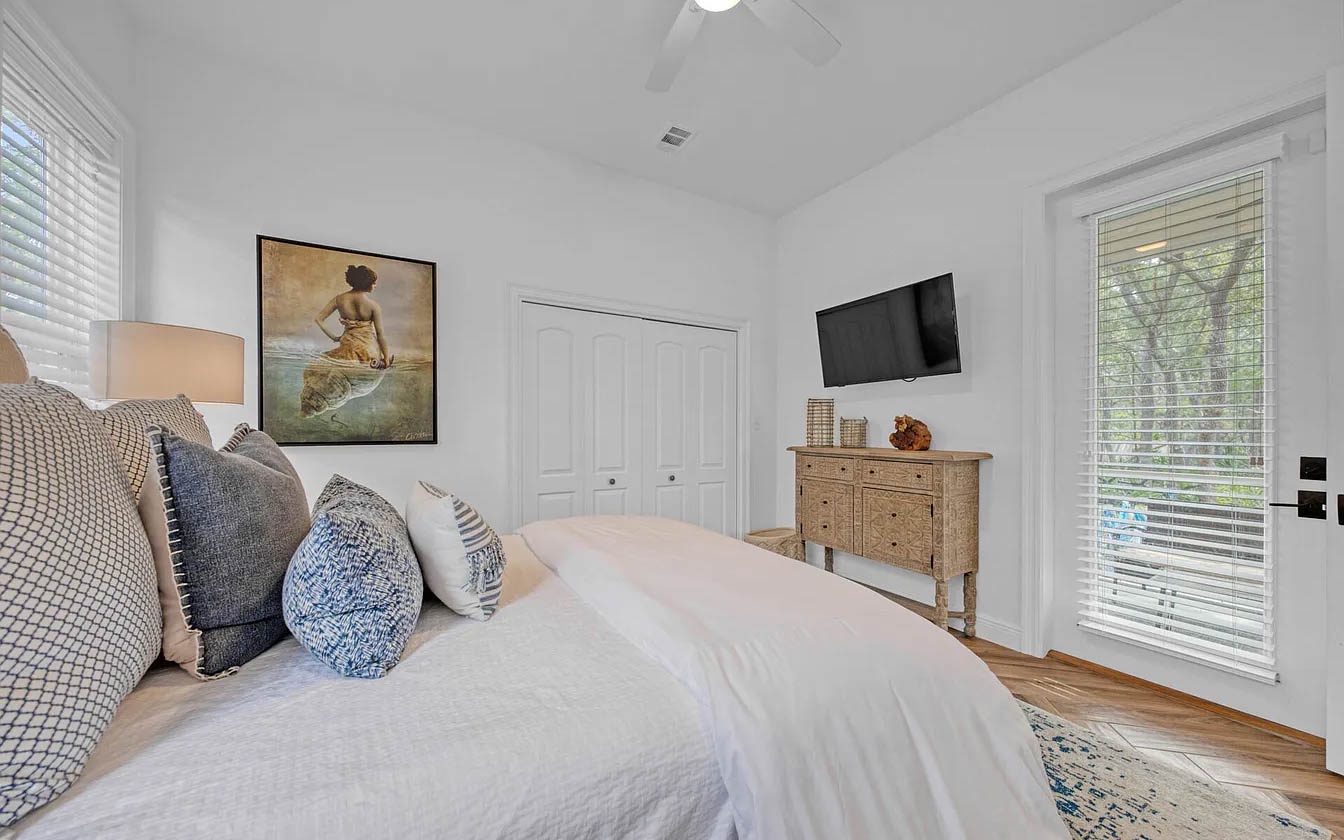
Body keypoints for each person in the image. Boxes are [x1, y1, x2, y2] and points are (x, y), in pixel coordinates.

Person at [313, 264, 392, 369]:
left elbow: (318, 319)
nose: (375, 286)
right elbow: (380, 335)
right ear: (366, 283)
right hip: (369, 350)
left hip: (347, 349)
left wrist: (335, 338)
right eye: (373, 283)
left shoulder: (339, 299)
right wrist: (386, 358)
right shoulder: (373, 306)